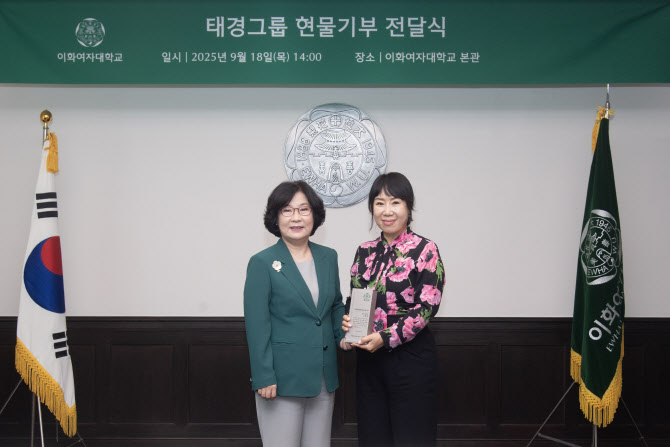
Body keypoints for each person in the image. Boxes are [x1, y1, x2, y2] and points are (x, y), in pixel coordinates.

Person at [341, 172, 445, 447]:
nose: (387, 211)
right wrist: (349, 328)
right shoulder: (364, 251)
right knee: (373, 436)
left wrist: (386, 338)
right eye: (379, 203)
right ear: (372, 208)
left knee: (413, 437)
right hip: (369, 361)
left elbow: (427, 307)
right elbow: (355, 299)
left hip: (411, 360)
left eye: (395, 202)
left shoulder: (425, 249)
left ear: (409, 207)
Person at [244, 180, 346, 447]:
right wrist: (264, 376)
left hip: (323, 377)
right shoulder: (262, 262)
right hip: (281, 380)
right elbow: (257, 325)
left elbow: (335, 305)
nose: (296, 217)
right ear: (276, 217)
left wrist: (345, 335)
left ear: (315, 214)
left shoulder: (328, 257)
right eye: (287, 210)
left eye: (304, 209)